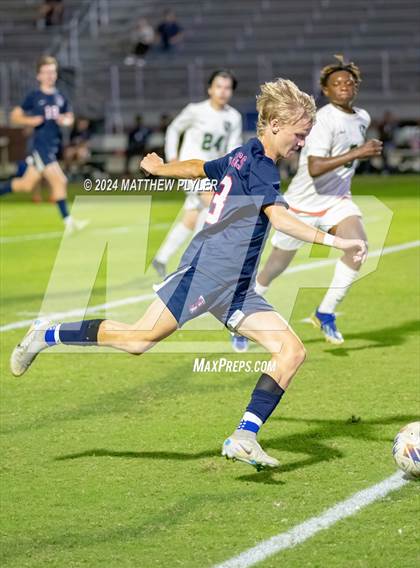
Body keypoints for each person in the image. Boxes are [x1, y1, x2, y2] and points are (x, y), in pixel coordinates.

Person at [10, 78, 367, 471]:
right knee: (138, 341)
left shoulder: (245, 153)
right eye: (299, 134)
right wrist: (337, 241)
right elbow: (280, 219)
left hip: (235, 288)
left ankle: (244, 437)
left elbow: (201, 168)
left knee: (292, 351)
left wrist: (162, 168)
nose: (302, 142)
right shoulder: (262, 167)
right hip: (204, 274)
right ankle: (46, 334)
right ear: (276, 124)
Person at [232, 55, 382, 352]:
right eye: (337, 83)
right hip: (302, 204)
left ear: (356, 86)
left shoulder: (362, 117)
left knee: (358, 248)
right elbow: (314, 167)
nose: (344, 86)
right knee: (274, 268)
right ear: (326, 90)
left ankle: (325, 312)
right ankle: (241, 317)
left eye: (349, 82)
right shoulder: (323, 119)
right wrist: (359, 153)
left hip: (337, 201)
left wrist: (358, 153)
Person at [152, 69, 242, 278]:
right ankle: (195, 261)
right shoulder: (195, 110)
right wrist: (172, 158)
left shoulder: (234, 117)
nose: (223, 91)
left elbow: (233, 147)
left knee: (193, 215)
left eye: (227, 88)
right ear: (210, 89)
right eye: (218, 86)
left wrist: (230, 170)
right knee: (214, 204)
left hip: (211, 172)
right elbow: (174, 129)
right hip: (191, 169)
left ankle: (161, 259)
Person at [0, 56, 87, 232]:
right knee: (60, 180)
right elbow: (15, 116)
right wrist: (30, 120)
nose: (49, 76)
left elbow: (70, 117)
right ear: (38, 76)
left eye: (52, 72)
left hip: (53, 147)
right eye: (45, 72)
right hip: (40, 148)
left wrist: (66, 120)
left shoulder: (60, 96)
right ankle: (69, 223)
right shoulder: (34, 96)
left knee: (26, 185)